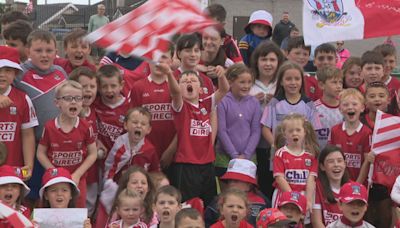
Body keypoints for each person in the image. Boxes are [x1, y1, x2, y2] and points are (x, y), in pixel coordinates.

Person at [163, 54, 229, 206]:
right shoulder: (180, 106)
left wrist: (221, 75)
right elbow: (174, 92)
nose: (189, 82)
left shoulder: (206, 104)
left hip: (206, 164)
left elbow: (224, 90)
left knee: (209, 204)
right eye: (184, 81)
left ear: (200, 89)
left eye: (193, 80)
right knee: (187, 206)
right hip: (186, 165)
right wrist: (169, 74)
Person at [13, 29, 68, 202]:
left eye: (49, 50)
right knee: (31, 191)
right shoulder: (19, 74)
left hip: (59, 147)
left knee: (56, 191)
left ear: (56, 52)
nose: (44, 55)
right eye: (38, 51)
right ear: (28, 52)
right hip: (32, 146)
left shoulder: (61, 73)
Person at [36, 80, 97, 208]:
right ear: (57, 103)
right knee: (50, 212)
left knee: (77, 214)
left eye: (78, 98)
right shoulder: (49, 127)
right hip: (54, 180)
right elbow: (40, 153)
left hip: (77, 179)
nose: (73, 102)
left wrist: (78, 174)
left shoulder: (86, 126)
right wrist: (54, 172)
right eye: (68, 98)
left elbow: (93, 154)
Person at [249, 42, 285, 198]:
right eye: (264, 59)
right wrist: (250, 101)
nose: (268, 64)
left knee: (271, 182)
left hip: (275, 143)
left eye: (272, 60)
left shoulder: (282, 84)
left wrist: (278, 100)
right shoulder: (248, 82)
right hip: (251, 143)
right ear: (257, 61)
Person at [130, 48, 176, 166]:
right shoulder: (138, 87)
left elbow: (183, 124)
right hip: (145, 153)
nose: (158, 62)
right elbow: (132, 124)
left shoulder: (177, 86)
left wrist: (171, 151)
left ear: (171, 61)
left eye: (164, 57)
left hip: (174, 153)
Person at [261, 61, 321, 150]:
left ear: (302, 80)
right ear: (281, 81)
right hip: (280, 153)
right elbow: (265, 128)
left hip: (303, 153)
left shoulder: (309, 104)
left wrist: (308, 146)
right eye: (288, 79)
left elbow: (315, 130)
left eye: (297, 79)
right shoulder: (274, 103)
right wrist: (275, 145)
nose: (293, 82)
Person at [270, 114, 318, 223]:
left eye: (298, 130)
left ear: (304, 132)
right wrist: (292, 198)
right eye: (290, 131)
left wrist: (308, 200)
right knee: (282, 223)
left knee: (301, 223)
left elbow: (311, 179)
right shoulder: (280, 154)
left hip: (303, 195)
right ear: (284, 134)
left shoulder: (310, 155)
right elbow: (279, 178)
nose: (294, 133)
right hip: (284, 194)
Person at [0, 46, 38, 177]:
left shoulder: (23, 99)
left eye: (8, 70)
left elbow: (27, 135)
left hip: (13, 169)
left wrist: (29, 166)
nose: (2, 74)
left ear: (15, 73)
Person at [215, 64, 261, 173]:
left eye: (249, 82)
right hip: (225, 156)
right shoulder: (223, 101)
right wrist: (234, 155)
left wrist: (246, 154)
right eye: (242, 82)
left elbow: (256, 130)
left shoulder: (254, 103)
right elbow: (221, 131)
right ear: (230, 82)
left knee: (246, 189)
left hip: (248, 157)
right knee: (228, 190)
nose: (246, 86)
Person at [359, 82, 392, 228]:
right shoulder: (358, 122)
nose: (377, 99)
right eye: (372, 96)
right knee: (365, 219)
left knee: (385, 219)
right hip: (362, 179)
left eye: (381, 95)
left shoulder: (394, 123)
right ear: (365, 101)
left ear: (389, 99)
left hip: (385, 183)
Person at [69, 66, 100, 216]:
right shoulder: (70, 113)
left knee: (89, 206)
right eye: (84, 86)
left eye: (92, 86)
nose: (89, 90)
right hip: (73, 169)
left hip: (92, 170)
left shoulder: (95, 110)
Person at [205, 159, 270, 227]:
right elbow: (207, 222)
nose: (231, 184)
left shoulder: (263, 202)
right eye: (229, 180)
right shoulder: (219, 200)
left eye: (236, 181)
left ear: (249, 184)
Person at [104, 107, 160, 183]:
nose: (139, 126)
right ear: (126, 125)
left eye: (143, 124)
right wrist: (109, 185)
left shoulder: (150, 150)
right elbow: (109, 167)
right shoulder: (119, 145)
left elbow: (155, 172)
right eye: (135, 122)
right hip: (119, 187)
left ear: (148, 129)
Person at [329, 88, 371, 182]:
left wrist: (358, 184)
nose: (350, 107)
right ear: (340, 109)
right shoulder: (334, 130)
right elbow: (331, 158)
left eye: (354, 104)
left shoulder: (367, 132)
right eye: (345, 104)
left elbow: (366, 162)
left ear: (362, 108)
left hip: (358, 183)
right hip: (338, 182)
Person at [93, 64, 132, 154]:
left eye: (113, 86)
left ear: (121, 85)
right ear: (98, 87)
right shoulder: (94, 104)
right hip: (99, 158)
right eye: (104, 86)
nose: (109, 90)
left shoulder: (129, 107)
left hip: (121, 158)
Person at [312, 145, 350, 227]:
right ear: (322, 166)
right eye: (331, 161)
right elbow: (316, 222)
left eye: (339, 161)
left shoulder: (352, 187)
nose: (336, 165)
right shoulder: (317, 186)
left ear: (345, 164)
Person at [314, 66, 344, 149]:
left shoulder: (345, 107)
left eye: (340, 82)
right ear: (321, 85)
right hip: (319, 154)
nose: (338, 86)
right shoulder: (313, 109)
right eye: (334, 82)